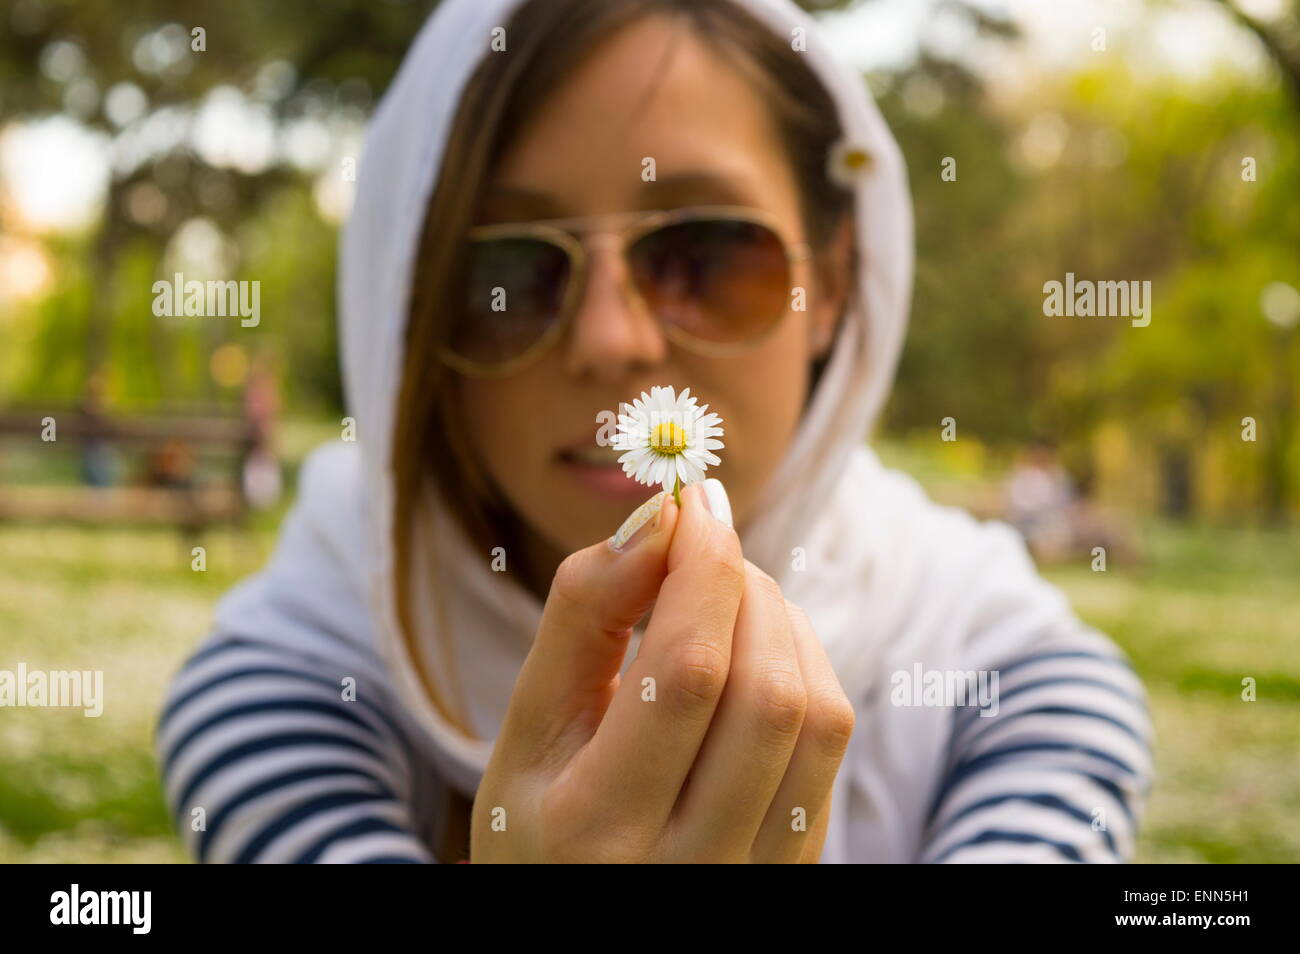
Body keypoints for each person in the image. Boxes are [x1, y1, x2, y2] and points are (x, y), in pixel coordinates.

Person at [155, 0, 1153, 863]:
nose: (610, 340)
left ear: (833, 283)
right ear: (404, 312)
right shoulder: (279, 693)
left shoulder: (1021, 690)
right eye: (504, 274)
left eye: (705, 251)